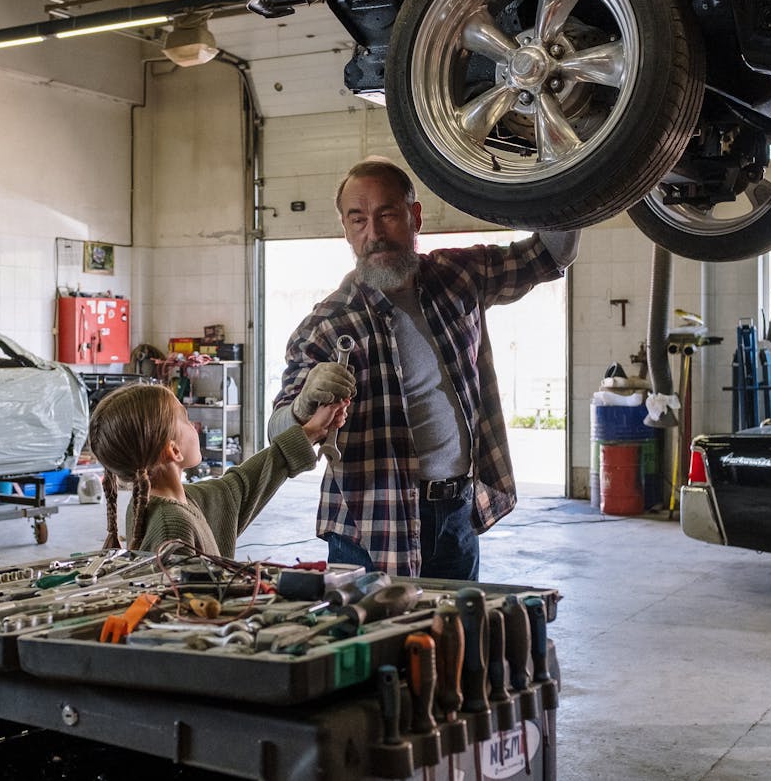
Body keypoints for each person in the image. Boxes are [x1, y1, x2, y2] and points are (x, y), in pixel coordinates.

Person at [268, 157, 580, 580]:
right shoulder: (327, 325)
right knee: (377, 644)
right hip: (370, 526)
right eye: (357, 220)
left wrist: (574, 168)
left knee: (453, 640)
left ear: (415, 216)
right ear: (345, 229)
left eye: (387, 215)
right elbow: (279, 431)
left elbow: (548, 254)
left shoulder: (457, 276)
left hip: (455, 514)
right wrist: (304, 404)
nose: (373, 234)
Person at [90, 382, 347, 557]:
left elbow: (240, 486)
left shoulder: (159, 502)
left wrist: (310, 432)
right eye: (186, 419)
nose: (195, 426)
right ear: (173, 451)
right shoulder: (173, 526)